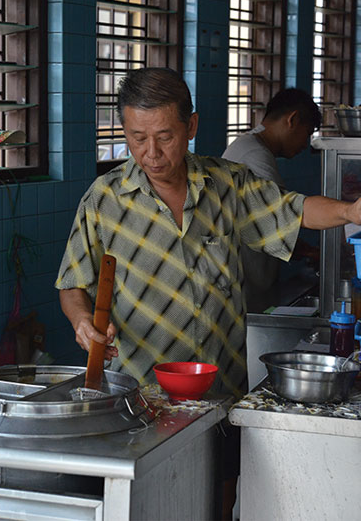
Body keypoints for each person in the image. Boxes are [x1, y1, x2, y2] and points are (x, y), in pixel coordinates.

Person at [57, 68, 361, 396]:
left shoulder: (227, 184)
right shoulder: (104, 199)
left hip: (221, 386)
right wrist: (82, 321)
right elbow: (73, 282)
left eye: (164, 137)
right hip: (142, 390)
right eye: (137, 138)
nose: (151, 153)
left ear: (191, 127)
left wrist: (349, 211)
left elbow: (292, 209)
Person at [222, 88, 322, 313]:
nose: (305, 146)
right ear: (292, 120)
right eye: (306, 134)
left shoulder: (249, 146)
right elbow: (279, 222)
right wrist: (315, 254)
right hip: (242, 291)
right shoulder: (255, 157)